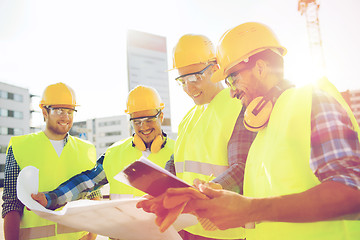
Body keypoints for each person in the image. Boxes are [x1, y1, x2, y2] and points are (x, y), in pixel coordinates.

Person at [156, 22, 360, 239]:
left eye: (232, 78)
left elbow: (353, 192)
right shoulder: (263, 127)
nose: (231, 92)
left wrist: (248, 209)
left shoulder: (311, 101)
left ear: (261, 68)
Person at [167, 34, 256, 240]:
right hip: (186, 228)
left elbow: (242, 168)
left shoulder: (237, 106)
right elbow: (175, 162)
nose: (189, 88)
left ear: (216, 69)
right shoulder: (188, 117)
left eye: (195, 78)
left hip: (223, 231)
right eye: (182, 80)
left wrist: (210, 192)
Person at [31, 85, 175, 209]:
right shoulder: (115, 153)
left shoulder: (178, 151)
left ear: (161, 116)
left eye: (149, 120)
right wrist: (50, 199)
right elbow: (85, 183)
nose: (144, 127)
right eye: (137, 122)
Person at [2, 82, 100, 240]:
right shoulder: (20, 147)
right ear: (44, 111)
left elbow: (94, 197)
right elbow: (11, 203)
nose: (66, 117)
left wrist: (91, 237)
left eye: (70, 111)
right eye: (59, 110)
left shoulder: (86, 149)